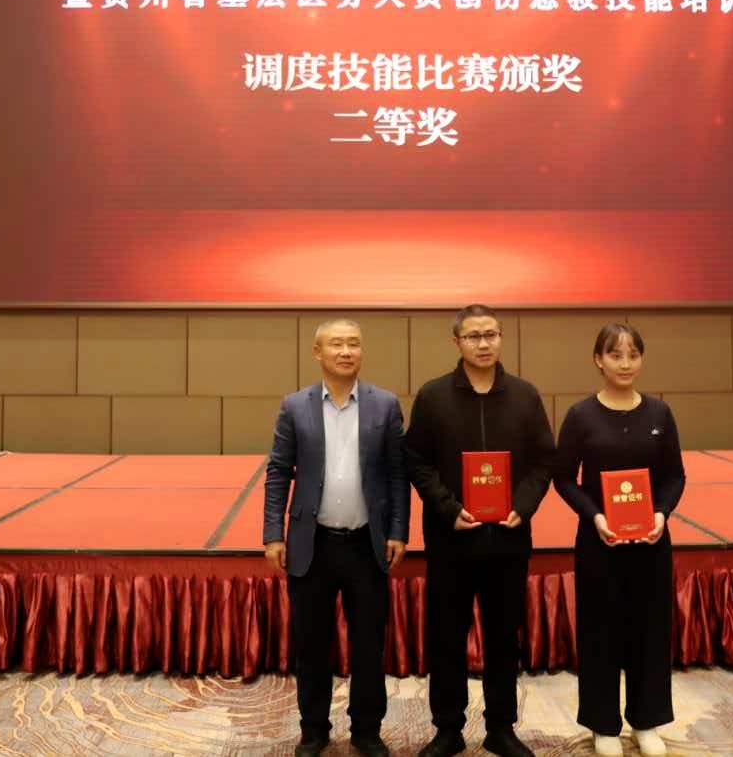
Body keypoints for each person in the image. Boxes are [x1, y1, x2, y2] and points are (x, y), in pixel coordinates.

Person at [406, 304, 554, 757]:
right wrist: (448, 509)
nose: (483, 343)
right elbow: (416, 461)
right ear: (457, 342)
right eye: (473, 336)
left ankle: (501, 728)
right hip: (451, 540)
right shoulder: (433, 396)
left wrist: (523, 506)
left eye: (491, 334)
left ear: (501, 337)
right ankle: (448, 728)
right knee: (446, 638)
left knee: (504, 639)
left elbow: (544, 460)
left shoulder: (525, 395)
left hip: (508, 540)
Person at [263, 318, 410, 757]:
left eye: (354, 344)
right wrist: (273, 534)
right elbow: (278, 471)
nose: (346, 352)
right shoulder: (295, 406)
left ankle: (367, 729)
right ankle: (313, 729)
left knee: (369, 646)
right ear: (318, 352)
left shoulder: (385, 404)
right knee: (311, 646)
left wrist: (398, 530)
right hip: (313, 544)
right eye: (336, 344)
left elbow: (398, 473)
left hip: (367, 544)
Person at [553, 323, 686, 757]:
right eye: (615, 355)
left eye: (633, 355)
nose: (625, 364)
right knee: (600, 632)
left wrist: (661, 513)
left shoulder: (659, 414)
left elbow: (674, 476)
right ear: (599, 360)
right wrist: (594, 516)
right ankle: (603, 724)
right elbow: (563, 479)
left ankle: (646, 721)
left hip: (651, 543)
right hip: (600, 544)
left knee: (650, 631)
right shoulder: (581, 416)